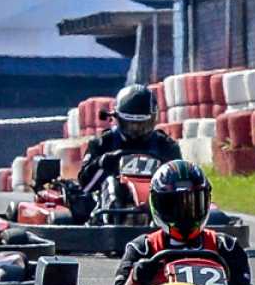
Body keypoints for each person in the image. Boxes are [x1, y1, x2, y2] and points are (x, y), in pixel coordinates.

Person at [109, 160, 255, 285]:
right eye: (174, 205)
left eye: (193, 204)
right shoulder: (143, 249)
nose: (185, 213)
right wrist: (134, 280)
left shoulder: (226, 247)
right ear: (158, 204)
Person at [69, 84, 181, 220]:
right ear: (118, 119)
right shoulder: (103, 143)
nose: (136, 129)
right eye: (131, 124)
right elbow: (85, 186)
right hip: (107, 213)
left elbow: (180, 184)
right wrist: (101, 163)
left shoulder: (166, 146)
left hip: (156, 208)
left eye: (141, 124)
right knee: (111, 183)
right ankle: (111, 220)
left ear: (152, 120)